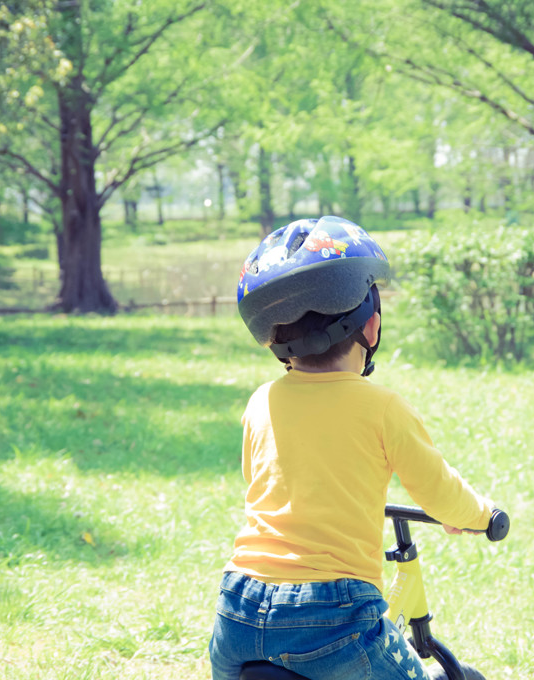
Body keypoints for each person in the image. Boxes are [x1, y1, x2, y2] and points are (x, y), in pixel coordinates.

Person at [209, 216, 496, 680]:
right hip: (332, 616)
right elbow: (439, 492)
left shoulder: (261, 401)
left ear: (277, 339)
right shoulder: (382, 408)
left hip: (238, 609)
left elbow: (264, 480)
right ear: (373, 326)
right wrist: (480, 515)